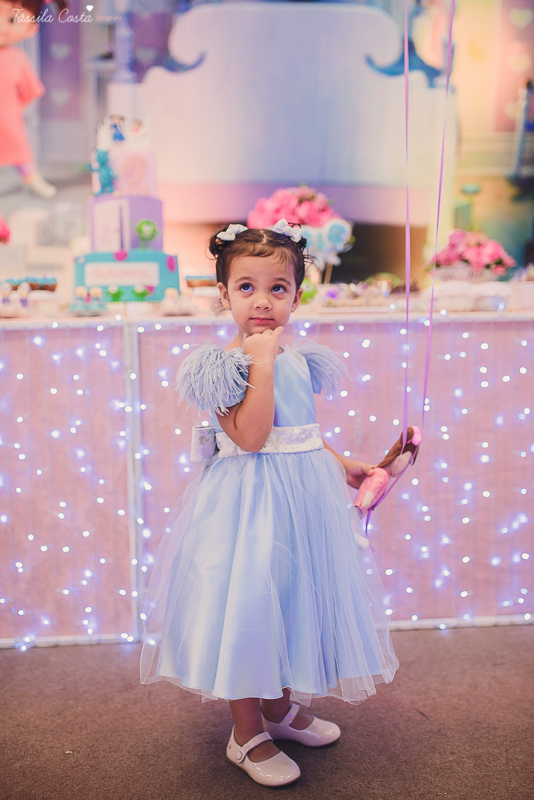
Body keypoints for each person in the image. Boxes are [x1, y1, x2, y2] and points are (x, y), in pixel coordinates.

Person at [140, 219, 399, 787]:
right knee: (251, 607)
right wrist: (259, 359)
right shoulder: (226, 365)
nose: (263, 302)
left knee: (290, 599)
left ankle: (279, 709)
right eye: (247, 288)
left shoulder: (299, 358)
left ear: (297, 296)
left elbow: (299, 432)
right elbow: (254, 436)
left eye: (277, 288)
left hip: (301, 503)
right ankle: (245, 730)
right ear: (224, 295)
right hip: (248, 511)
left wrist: (344, 464)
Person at [0, 0, 67, 198]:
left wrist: (15, 110)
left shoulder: (17, 58)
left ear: (30, 29)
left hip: (8, 117)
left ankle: (31, 177)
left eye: (12, 20)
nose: (2, 25)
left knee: (20, 148)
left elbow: (31, 90)